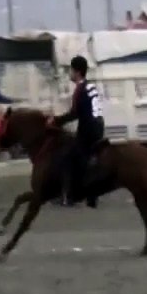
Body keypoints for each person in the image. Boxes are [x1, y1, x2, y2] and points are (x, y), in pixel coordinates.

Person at [49, 55, 105, 208]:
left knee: (66, 158)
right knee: (82, 158)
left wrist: (56, 121)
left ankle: (68, 197)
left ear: (77, 72)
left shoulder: (80, 89)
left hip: (88, 131)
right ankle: (90, 195)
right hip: (98, 127)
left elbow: (75, 113)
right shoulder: (90, 86)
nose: (70, 74)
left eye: (71, 70)